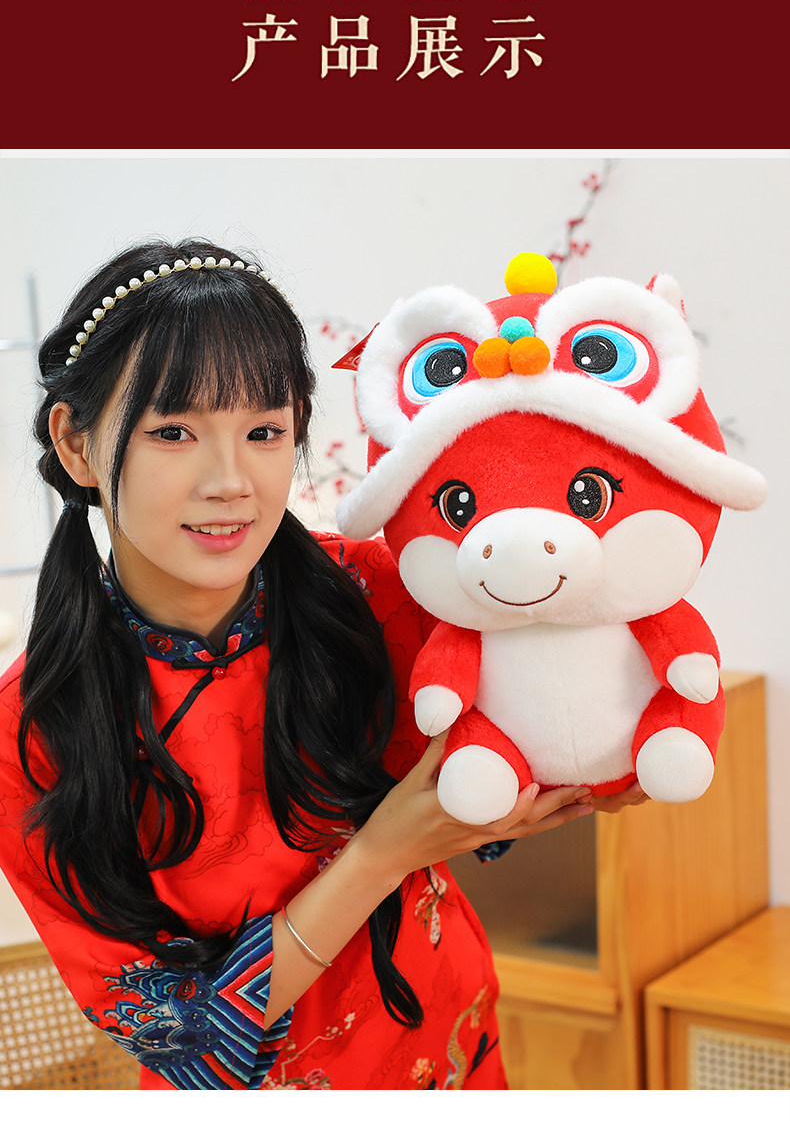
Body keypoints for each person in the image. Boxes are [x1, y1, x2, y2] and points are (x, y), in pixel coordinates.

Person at [0, 240, 645, 1091]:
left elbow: (546, 744)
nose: (231, 481)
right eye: (173, 432)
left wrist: (612, 754)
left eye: (264, 431)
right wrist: (383, 853)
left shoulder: (373, 594)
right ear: (77, 444)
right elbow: (179, 1039)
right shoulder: (29, 729)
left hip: (457, 1051)